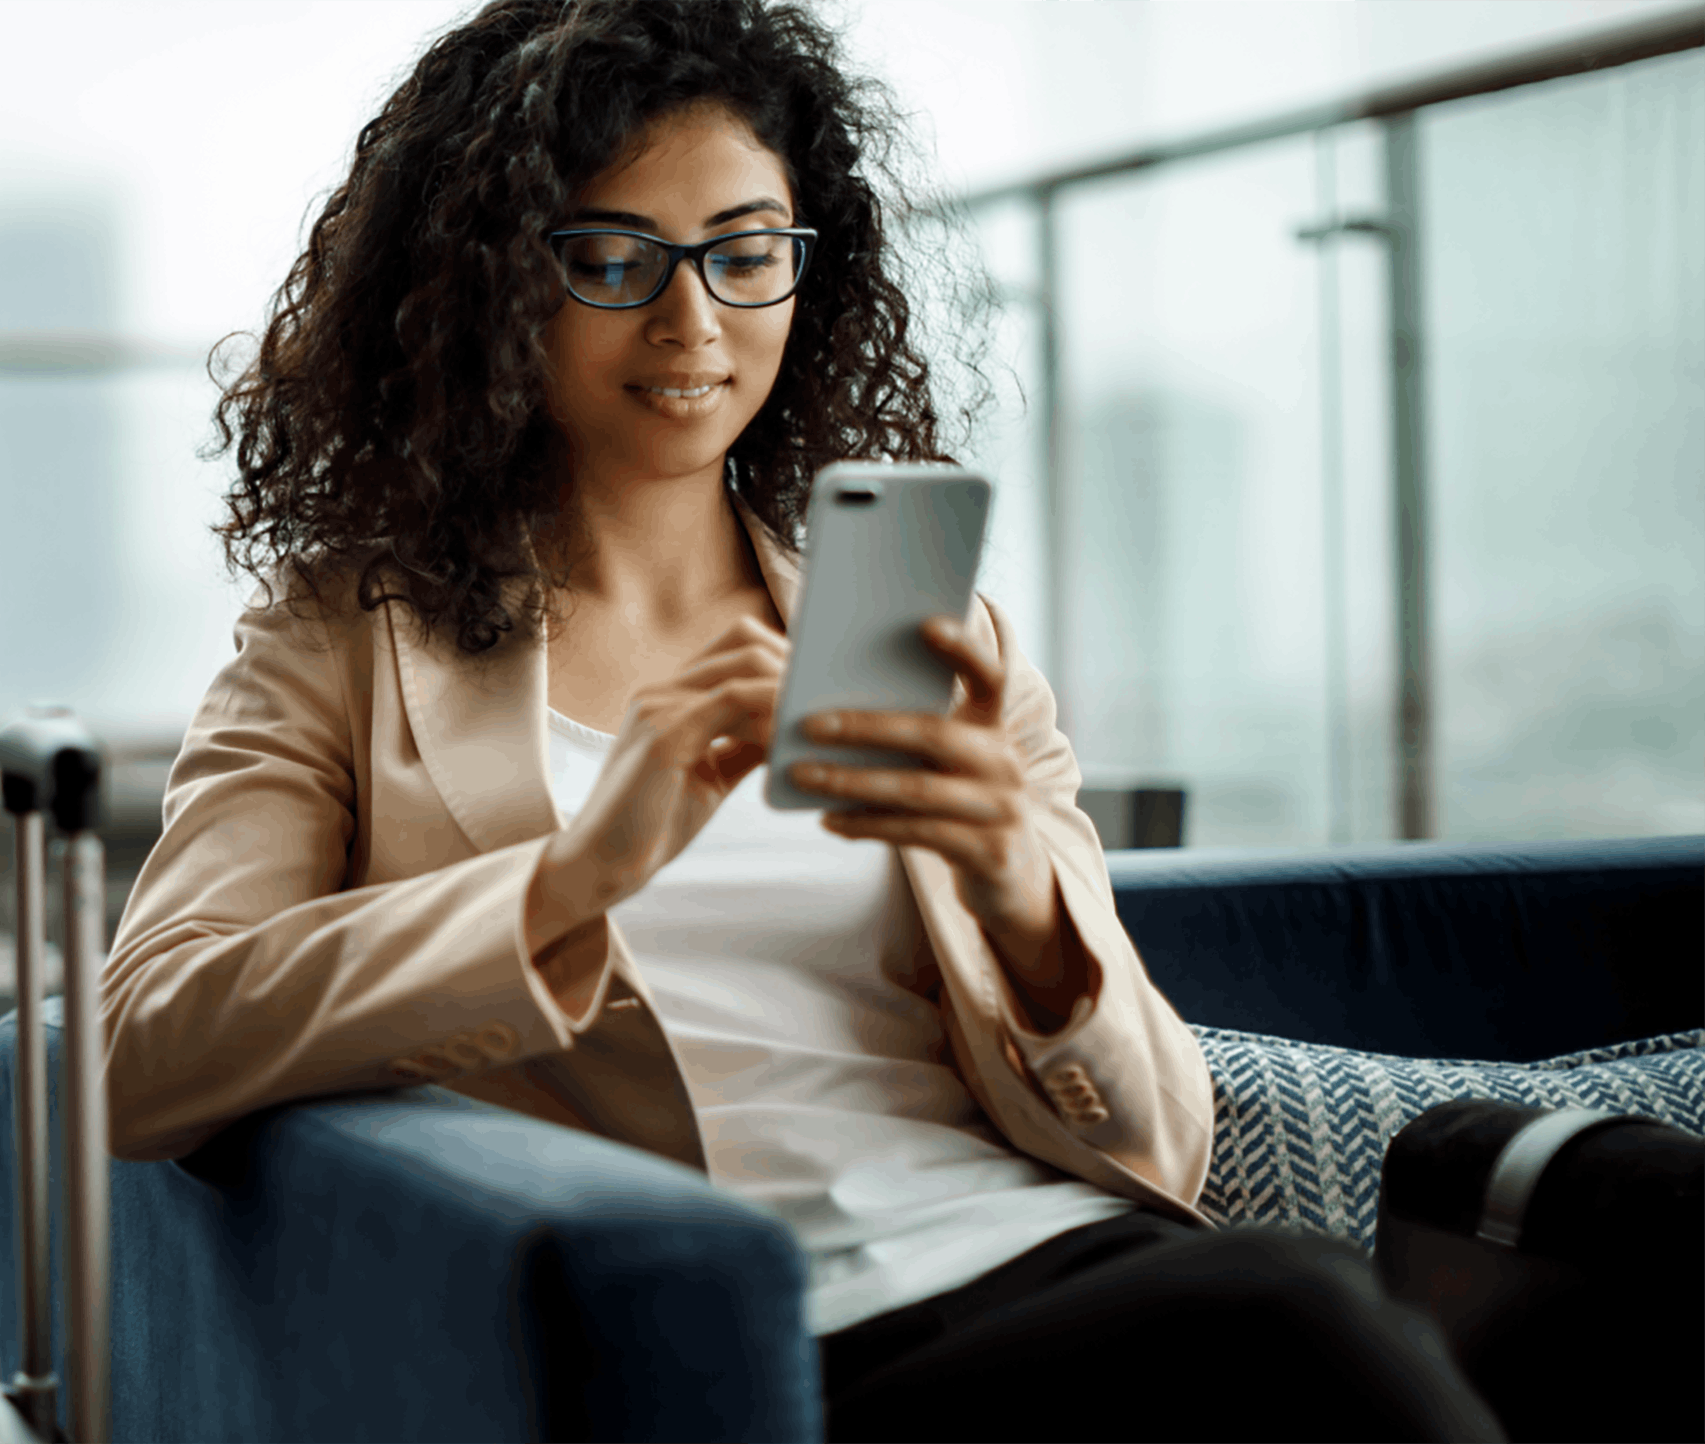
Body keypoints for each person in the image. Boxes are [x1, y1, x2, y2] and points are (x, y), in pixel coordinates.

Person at [100, 2, 1508, 1439]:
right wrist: (570, 882)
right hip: (764, 1337)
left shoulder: (922, 625)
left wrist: (1026, 909)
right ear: (487, 290)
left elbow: (1160, 1143)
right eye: (610, 258)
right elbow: (140, 1053)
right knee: (1298, 1316)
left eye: (745, 252)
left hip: (1061, 1260)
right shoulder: (343, 643)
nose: (692, 320)